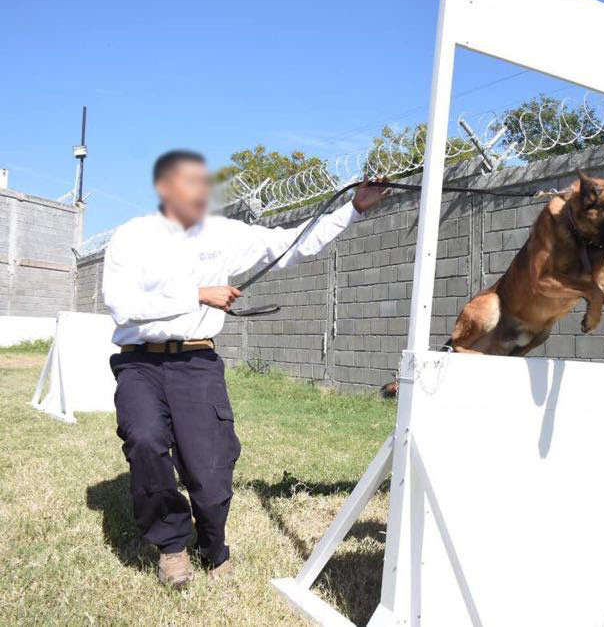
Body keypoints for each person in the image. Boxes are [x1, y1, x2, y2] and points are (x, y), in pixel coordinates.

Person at [101, 150, 388, 588]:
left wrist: (352, 208)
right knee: (145, 440)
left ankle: (213, 546)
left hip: (197, 360)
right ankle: (173, 547)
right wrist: (197, 293)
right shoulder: (132, 237)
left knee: (211, 466)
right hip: (141, 362)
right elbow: (121, 304)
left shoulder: (224, 234)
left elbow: (292, 243)